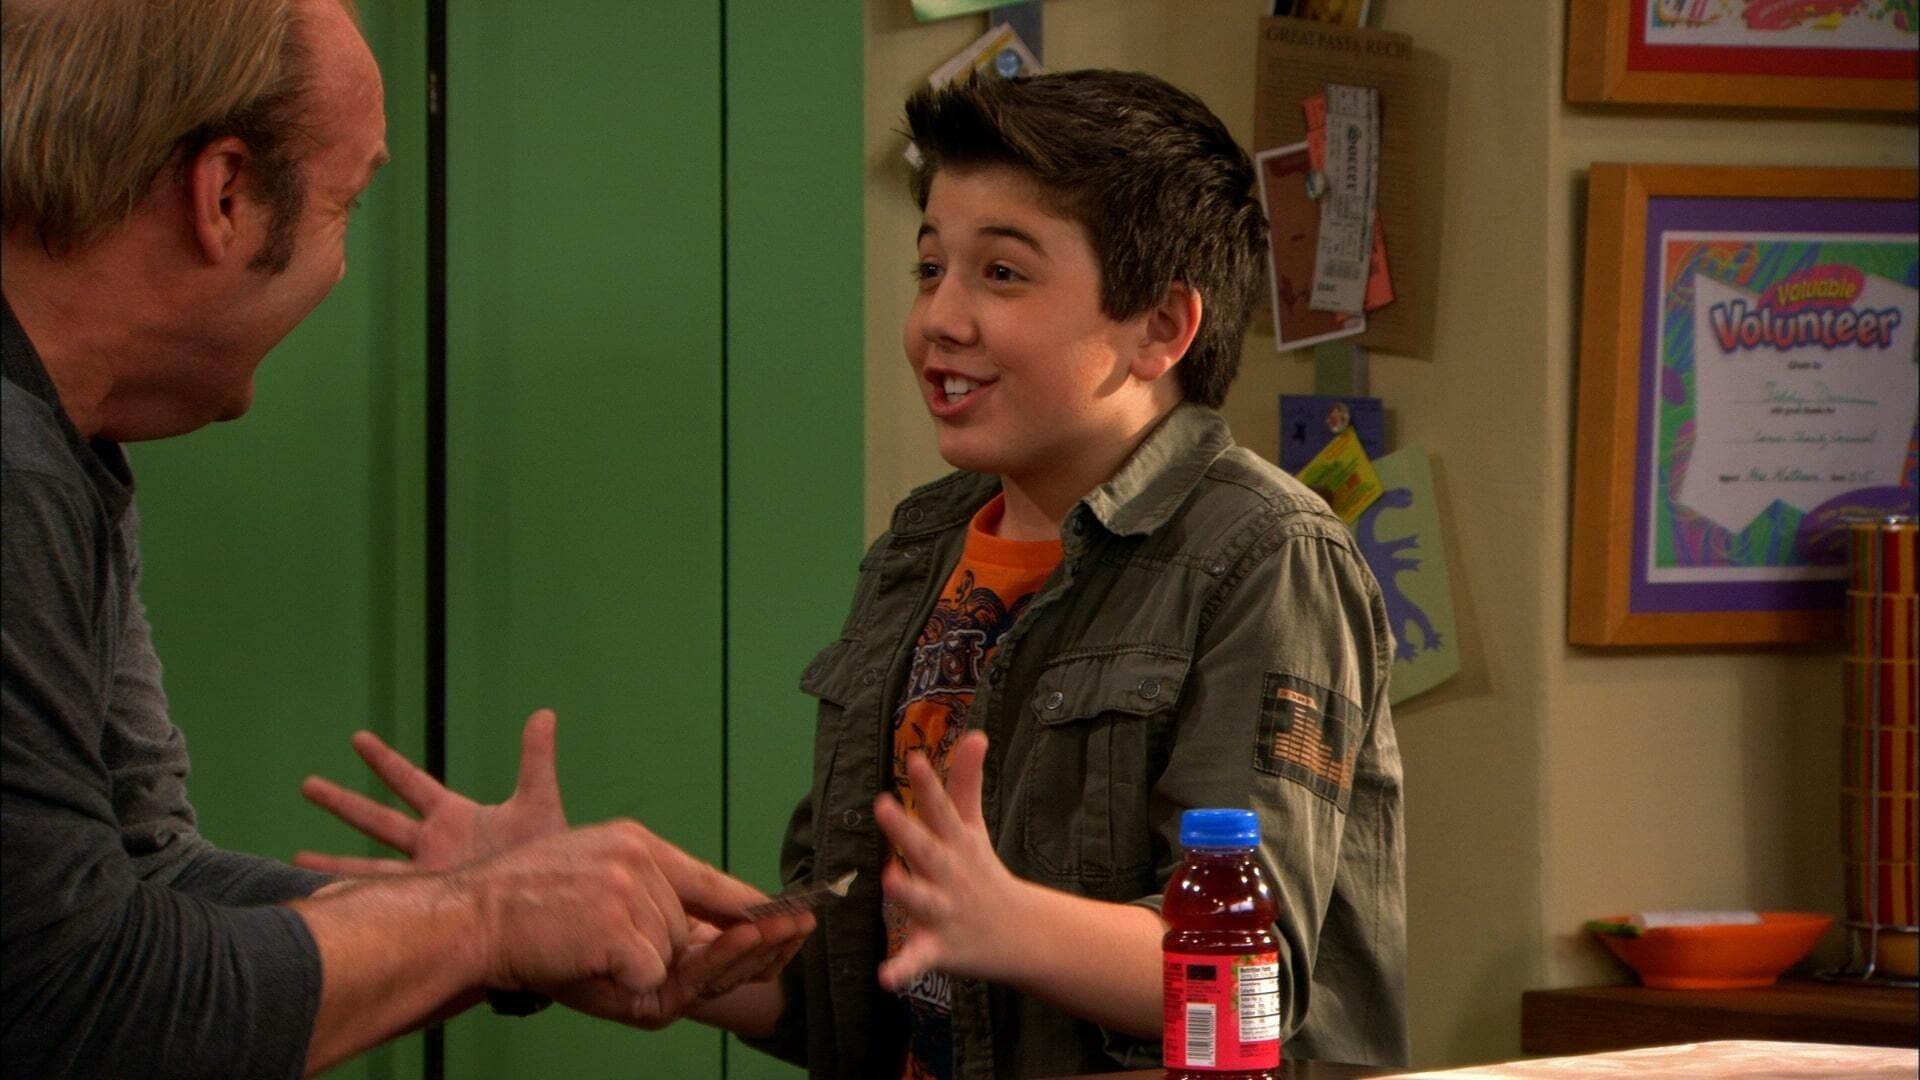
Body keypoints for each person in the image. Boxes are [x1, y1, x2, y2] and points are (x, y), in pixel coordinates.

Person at [0, 1, 806, 1076]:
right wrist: (486, 919)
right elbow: (79, 1007)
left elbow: (148, 873)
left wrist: (504, 911)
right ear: (225, 195)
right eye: (347, 204)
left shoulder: (72, 446)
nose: (340, 267)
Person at [731, 70, 1407, 1077]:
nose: (939, 319)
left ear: (1159, 328)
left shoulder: (1267, 555)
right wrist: (670, 952)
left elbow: (1249, 972)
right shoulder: (920, 547)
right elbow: (857, 967)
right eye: (930, 268)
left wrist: (1006, 924)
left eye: (1001, 273)